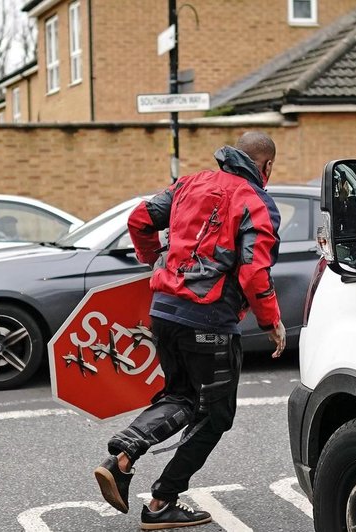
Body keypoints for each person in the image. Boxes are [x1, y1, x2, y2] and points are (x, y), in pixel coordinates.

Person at [93, 131, 286, 530]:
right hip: (209, 319)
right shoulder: (256, 201)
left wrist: (154, 261)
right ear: (265, 167)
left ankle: (123, 457)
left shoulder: (188, 184)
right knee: (216, 416)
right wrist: (271, 321)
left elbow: (140, 219)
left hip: (164, 311)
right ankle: (163, 500)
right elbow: (254, 272)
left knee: (181, 395)